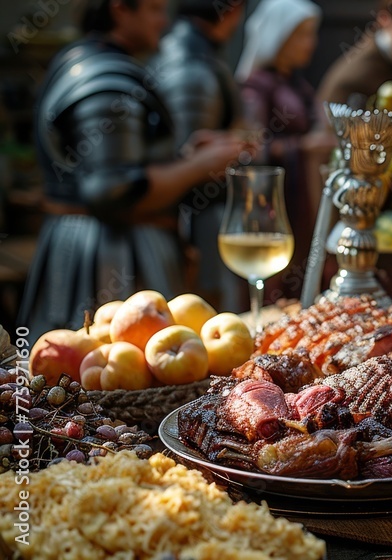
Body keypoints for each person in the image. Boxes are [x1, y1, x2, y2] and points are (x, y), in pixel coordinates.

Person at [18, 0, 246, 341]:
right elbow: (113, 190)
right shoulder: (104, 77)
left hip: (94, 246)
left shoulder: (91, 61)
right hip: (107, 257)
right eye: (153, 9)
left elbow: (126, 164)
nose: (163, 20)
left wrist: (183, 157)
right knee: (102, 374)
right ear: (120, 9)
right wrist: (197, 167)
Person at [149, 0, 247, 311]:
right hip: (197, 227)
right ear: (233, 9)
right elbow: (188, 164)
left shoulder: (191, 53)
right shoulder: (192, 66)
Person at [237, 0, 334, 303]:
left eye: (311, 33)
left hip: (306, 200)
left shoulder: (298, 85)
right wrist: (303, 147)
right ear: (279, 35)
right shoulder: (256, 87)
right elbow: (251, 148)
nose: (311, 43)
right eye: (302, 34)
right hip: (278, 203)